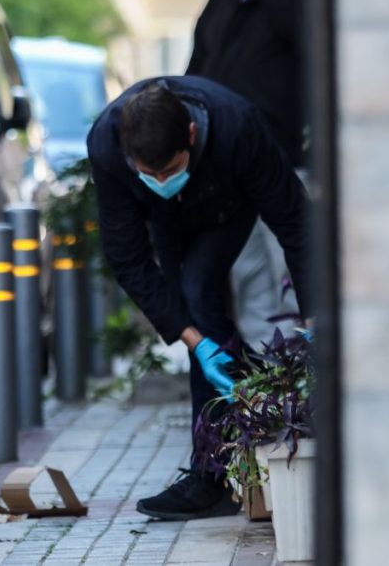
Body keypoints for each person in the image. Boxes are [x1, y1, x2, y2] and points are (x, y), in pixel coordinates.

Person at [86, 77, 308, 521]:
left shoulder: (237, 127)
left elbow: (295, 223)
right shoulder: (108, 146)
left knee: (198, 292)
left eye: (169, 169)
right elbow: (128, 259)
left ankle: (214, 473)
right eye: (148, 174)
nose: (161, 180)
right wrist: (196, 342)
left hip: (227, 206)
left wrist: (318, 321)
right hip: (165, 222)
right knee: (195, 320)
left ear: (190, 134)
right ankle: (230, 452)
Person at [187, 0, 307, 350]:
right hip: (226, 158)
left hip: (283, 152)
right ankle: (272, 388)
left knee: (288, 277)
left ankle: (304, 381)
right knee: (248, 276)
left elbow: (306, 37)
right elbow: (203, 53)